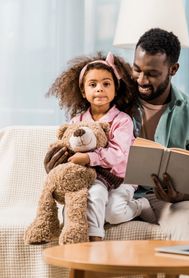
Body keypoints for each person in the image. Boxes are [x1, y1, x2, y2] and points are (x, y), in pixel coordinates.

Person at [45, 28, 189, 241]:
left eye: (152, 73)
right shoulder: (115, 98)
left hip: (170, 200)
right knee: (78, 218)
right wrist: (57, 167)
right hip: (110, 189)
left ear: (173, 69)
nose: (141, 80)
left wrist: (179, 195)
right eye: (137, 70)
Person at [46, 52, 155, 241]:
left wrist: (90, 158)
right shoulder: (76, 121)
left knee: (113, 214)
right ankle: (81, 235)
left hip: (121, 179)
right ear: (83, 91)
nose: (99, 89)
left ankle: (140, 205)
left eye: (106, 84)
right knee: (82, 202)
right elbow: (67, 148)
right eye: (93, 84)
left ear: (115, 88)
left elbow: (120, 155)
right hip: (89, 179)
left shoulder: (122, 121)